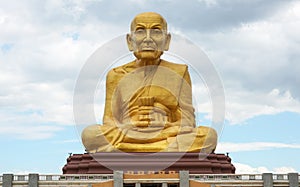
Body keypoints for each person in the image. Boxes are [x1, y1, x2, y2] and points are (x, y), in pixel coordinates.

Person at [82, 12, 217, 153]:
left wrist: (165, 126)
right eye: (140, 32)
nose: (148, 39)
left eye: (156, 32)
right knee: (90, 134)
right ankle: (160, 152)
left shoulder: (179, 72)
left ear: (167, 41)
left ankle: (127, 150)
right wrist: (130, 125)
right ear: (130, 41)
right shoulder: (116, 75)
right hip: (130, 132)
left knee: (208, 136)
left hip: (163, 133)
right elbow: (109, 121)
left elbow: (188, 121)